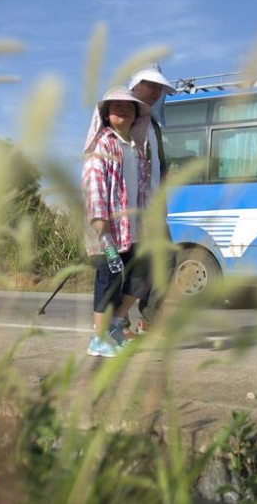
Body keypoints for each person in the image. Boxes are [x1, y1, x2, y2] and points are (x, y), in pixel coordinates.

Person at [82, 86, 153, 357]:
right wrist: (101, 225)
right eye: (115, 106)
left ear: (137, 114)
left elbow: (142, 189)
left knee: (142, 277)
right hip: (109, 233)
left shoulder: (135, 147)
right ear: (106, 114)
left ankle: (113, 325)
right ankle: (97, 339)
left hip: (134, 231)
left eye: (129, 105)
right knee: (109, 279)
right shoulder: (103, 143)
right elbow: (93, 182)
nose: (122, 109)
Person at [126, 62, 177, 335]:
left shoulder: (153, 125)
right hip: (131, 209)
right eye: (152, 85)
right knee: (129, 267)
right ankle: (116, 323)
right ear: (136, 85)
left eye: (160, 87)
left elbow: (159, 164)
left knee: (166, 262)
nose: (158, 91)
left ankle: (150, 320)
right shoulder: (123, 117)